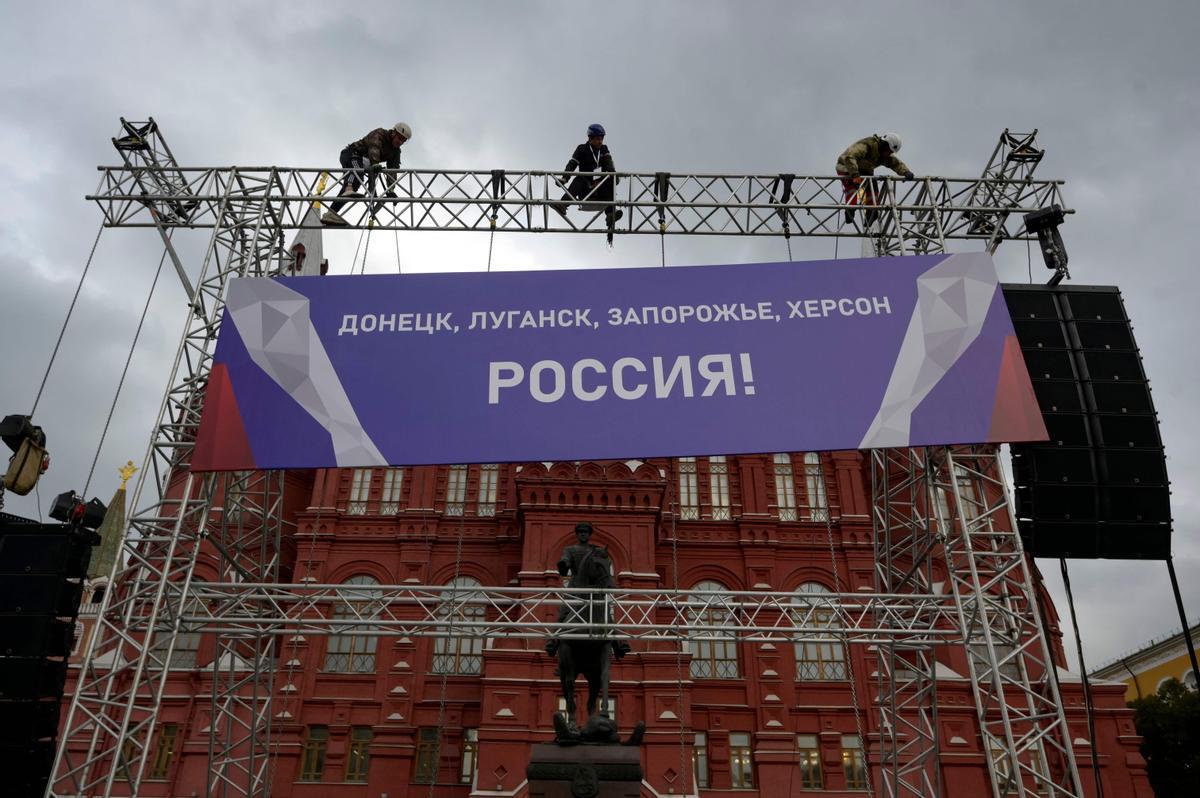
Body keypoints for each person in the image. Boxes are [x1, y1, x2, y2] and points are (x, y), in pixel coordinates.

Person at [545, 522, 630, 658]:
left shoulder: (595, 549)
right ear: (577, 534)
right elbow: (564, 564)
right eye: (580, 531)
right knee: (563, 612)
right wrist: (564, 564)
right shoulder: (570, 549)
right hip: (575, 589)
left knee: (606, 614)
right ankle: (553, 640)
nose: (583, 533)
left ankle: (619, 642)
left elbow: (603, 565)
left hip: (594, 590)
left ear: (589, 534)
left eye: (585, 531)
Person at [322, 122, 412, 225]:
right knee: (356, 175)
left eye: (403, 141)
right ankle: (348, 188)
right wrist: (375, 163)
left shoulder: (395, 152)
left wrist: (390, 189)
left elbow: (392, 170)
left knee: (355, 185)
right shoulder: (380, 134)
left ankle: (331, 213)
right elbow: (374, 147)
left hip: (365, 162)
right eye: (399, 138)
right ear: (393, 133)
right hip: (352, 154)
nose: (400, 142)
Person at [835, 132, 914, 225]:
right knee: (852, 186)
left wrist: (906, 172)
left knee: (873, 187)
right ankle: (850, 210)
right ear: (884, 145)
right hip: (846, 167)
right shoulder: (867, 145)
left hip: (863, 171)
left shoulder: (883, 154)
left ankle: (872, 212)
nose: (888, 154)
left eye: (890, 152)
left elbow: (895, 163)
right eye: (888, 151)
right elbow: (849, 157)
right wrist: (855, 175)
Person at [553, 124, 622, 227]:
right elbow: (572, 164)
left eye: (602, 138)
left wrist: (613, 175)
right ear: (590, 139)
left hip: (600, 188)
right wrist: (564, 178)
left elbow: (609, 163)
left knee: (609, 179)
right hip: (586, 189)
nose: (600, 141)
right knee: (579, 178)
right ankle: (562, 204)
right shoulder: (581, 149)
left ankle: (610, 214)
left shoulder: (604, 149)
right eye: (598, 139)